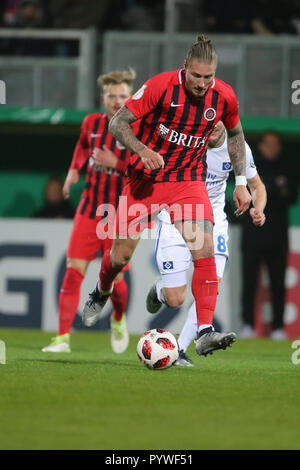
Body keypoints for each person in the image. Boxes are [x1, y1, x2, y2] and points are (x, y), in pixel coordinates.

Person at [82, 34, 252, 358]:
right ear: (185, 67)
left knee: (204, 247)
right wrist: (142, 150)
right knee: (120, 256)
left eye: (208, 77)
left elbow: (236, 132)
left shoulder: (224, 96)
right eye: (196, 76)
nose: (202, 84)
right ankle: (101, 290)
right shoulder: (161, 87)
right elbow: (119, 123)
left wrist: (241, 181)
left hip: (187, 182)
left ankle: (203, 332)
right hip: (145, 181)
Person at [147, 121, 266, 366]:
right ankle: (160, 290)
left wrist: (259, 208)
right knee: (175, 298)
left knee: (210, 288)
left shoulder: (237, 147)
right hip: (176, 217)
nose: (212, 125)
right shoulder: (184, 142)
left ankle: (178, 350)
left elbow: (258, 186)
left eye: (219, 119)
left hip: (213, 221)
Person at [42, 68, 136, 353]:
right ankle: (61, 339)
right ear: (103, 97)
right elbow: (83, 146)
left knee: (115, 278)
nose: (117, 101)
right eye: (112, 96)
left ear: (131, 98)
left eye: (123, 96)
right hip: (89, 208)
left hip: (121, 213)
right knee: (73, 272)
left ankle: (118, 320)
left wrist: (116, 163)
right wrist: (73, 171)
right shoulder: (92, 123)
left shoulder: (138, 127)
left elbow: (146, 169)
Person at [240, 131, 299, 340]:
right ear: (261, 146)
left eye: (276, 144)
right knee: (248, 284)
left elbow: (291, 197)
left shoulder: (287, 168)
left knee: (278, 284)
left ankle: (278, 327)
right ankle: (247, 324)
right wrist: (274, 188)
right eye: (268, 144)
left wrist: (267, 190)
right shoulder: (250, 167)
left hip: (278, 238)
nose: (271, 148)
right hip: (251, 237)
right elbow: (246, 194)